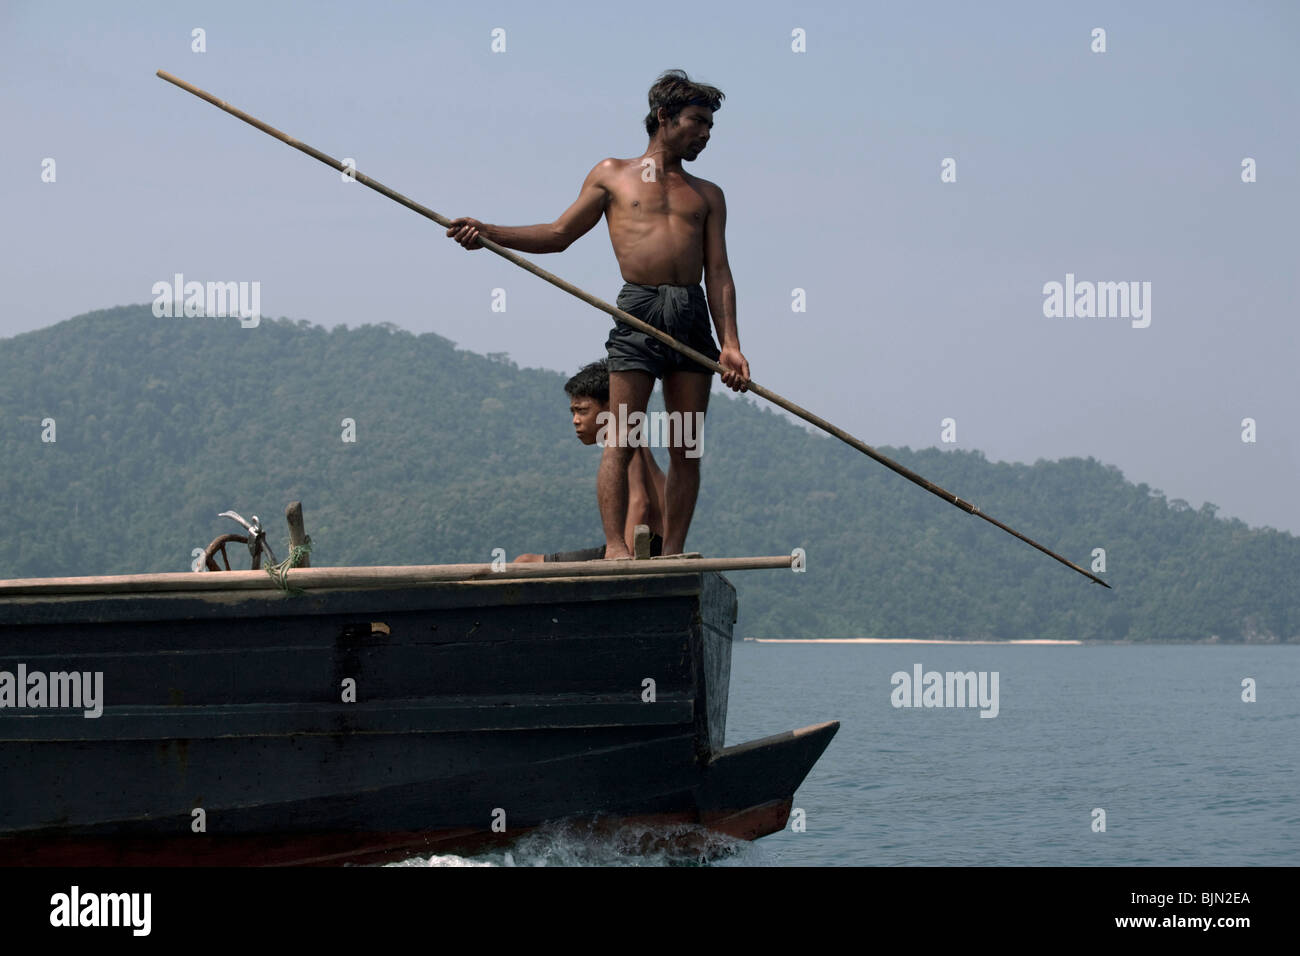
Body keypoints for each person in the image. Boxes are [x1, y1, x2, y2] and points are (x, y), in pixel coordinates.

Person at [447, 69, 749, 559]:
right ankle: (615, 546)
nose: (706, 134)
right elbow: (559, 233)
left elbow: (718, 271)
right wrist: (490, 232)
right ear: (664, 116)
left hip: (690, 313)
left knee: (685, 444)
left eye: (711, 125)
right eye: (698, 121)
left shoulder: (708, 194)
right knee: (623, 436)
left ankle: (671, 552)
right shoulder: (612, 173)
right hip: (639, 308)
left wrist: (731, 344)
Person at [514, 360, 665, 563]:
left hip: (644, 547)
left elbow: (640, 503)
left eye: (582, 411)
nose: (575, 420)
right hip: (640, 545)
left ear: (609, 408)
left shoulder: (623, 444)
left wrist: (626, 566)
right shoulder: (629, 437)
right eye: (573, 412)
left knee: (525, 563)